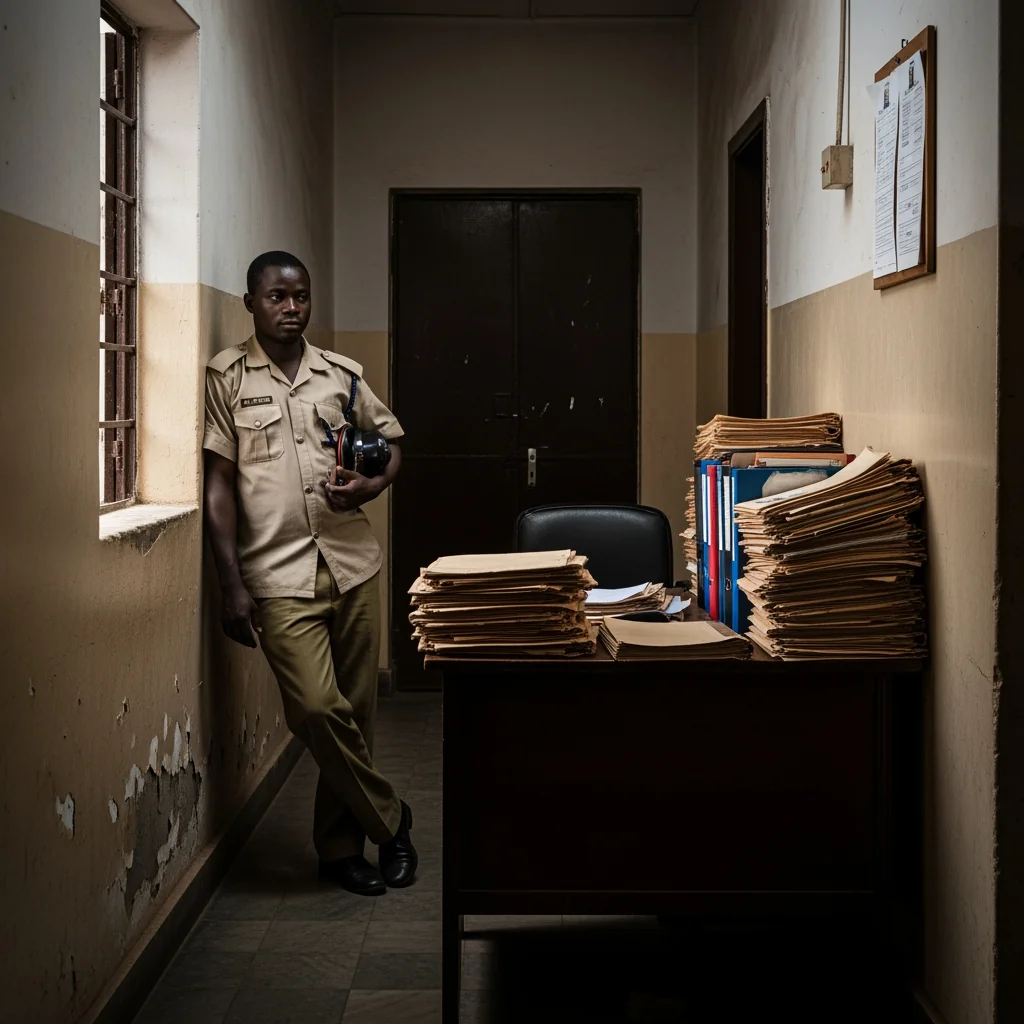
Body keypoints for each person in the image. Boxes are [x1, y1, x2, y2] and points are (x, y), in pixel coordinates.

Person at [202, 250, 416, 896]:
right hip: (275, 575)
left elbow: (393, 444)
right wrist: (230, 583)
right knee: (318, 711)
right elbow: (217, 484)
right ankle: (392, 820)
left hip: (351, 563)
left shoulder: (341, 376)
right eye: (276, 297)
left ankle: (339, 851)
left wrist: (370, 485)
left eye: (300, 297)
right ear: (251, 304)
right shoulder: (228, 378)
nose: (291, 308)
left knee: (354, 712)